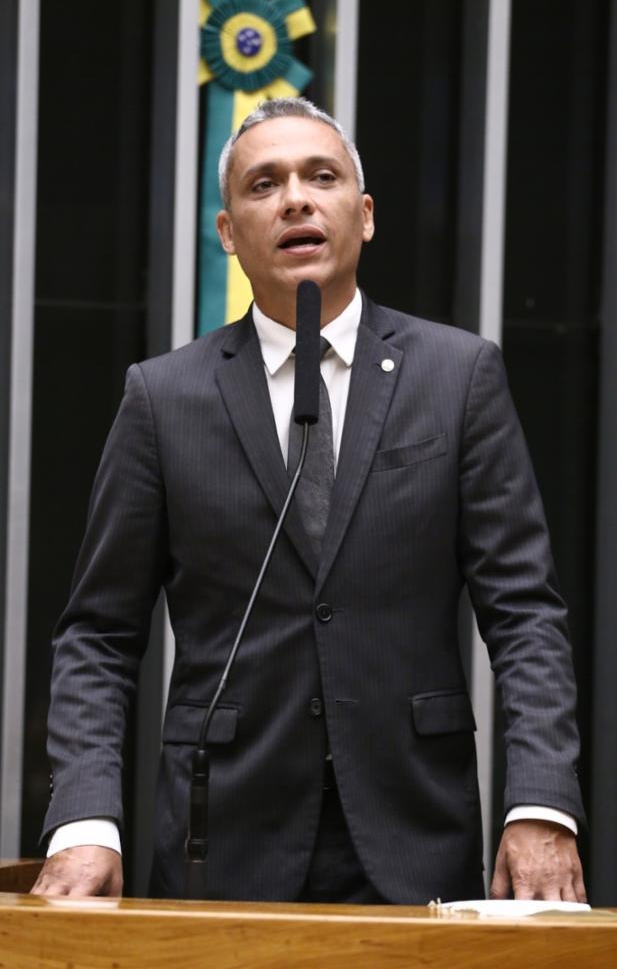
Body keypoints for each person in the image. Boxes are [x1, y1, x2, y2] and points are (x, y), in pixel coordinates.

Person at [32, 97, 586, 904]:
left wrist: (539, 803)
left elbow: (525, 612)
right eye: (264, 184)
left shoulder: (458, 376)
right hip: (220, 841)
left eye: (321, 177)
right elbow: (99, 634)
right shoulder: (163, 398)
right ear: (227, 233)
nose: (295, 198)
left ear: (364, 215)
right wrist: (84, 819)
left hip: (412, 834)